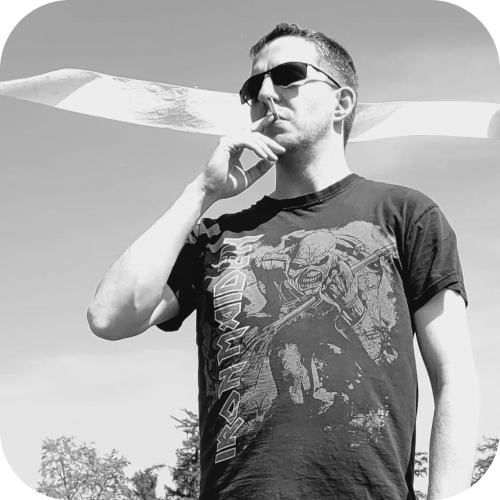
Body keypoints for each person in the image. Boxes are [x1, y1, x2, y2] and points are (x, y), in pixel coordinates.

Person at [87, 23, 480, 500]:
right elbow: (109, 317)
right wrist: (202, 191)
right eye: (253, 86)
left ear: (342, 102)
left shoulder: (404, 214)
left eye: (289, 74)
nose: (265, 93)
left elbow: (454, 378)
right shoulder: (216, 236)